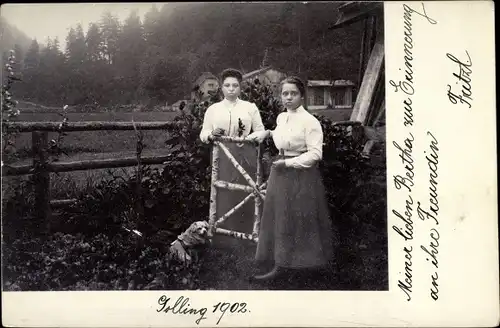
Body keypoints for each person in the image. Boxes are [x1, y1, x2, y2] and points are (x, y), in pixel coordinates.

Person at [246, 76, 334, 282]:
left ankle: (302, 266)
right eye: (285, 93)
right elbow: (281, 136)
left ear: (302, 96)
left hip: (301, 175)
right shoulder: (281, 118)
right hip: (281, 173)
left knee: (298, 219)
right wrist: (268, 133)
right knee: (280, 217)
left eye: (293, 93)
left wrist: (288, 163)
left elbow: (315, 154)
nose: (288, 98)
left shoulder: (310, 122)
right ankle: (280, 263)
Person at [200, 68, 265, 245]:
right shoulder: (213, 109)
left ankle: (246, 233)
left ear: (240, 87)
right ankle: (224, 235)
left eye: (235, 85)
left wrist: (246, 139)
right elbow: (203, 133)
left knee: (247, 193)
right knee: (224, 192)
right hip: (222, 157)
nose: (231, 89)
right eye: (227, 85)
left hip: (246, 156)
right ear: (221, 87)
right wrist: (212, 134)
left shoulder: (249, 108)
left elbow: (260, 131)